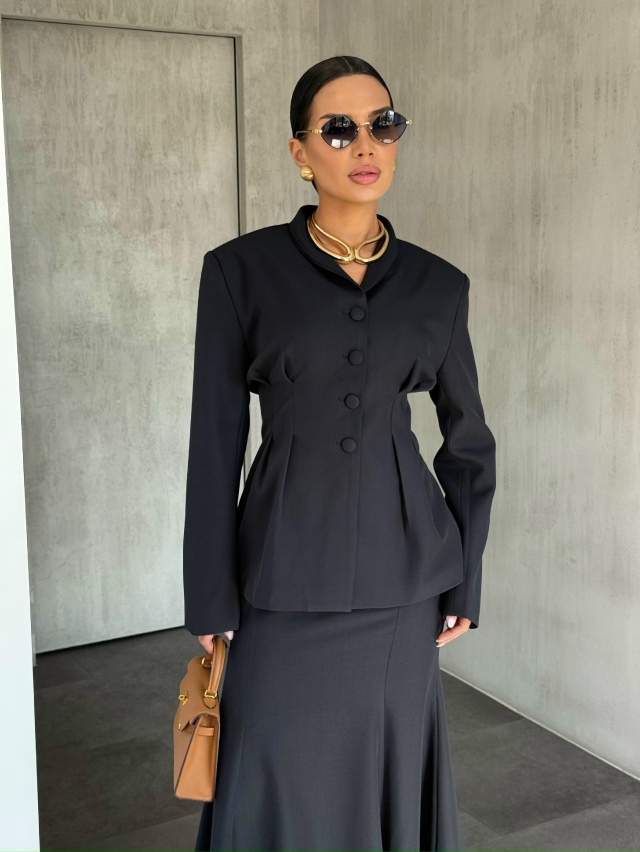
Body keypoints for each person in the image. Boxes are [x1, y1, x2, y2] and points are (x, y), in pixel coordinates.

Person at [184, 55, 497, 852]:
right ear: (300, 151)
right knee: (272, 767)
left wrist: (467, 576)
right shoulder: (239, 273)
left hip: (405, 583)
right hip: (279, 576)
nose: (366, 144)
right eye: (339, 129)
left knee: (386, 766)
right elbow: (215, 441)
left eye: (383, 124)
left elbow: (468, 442)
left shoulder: (439, 286)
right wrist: (209, 597)